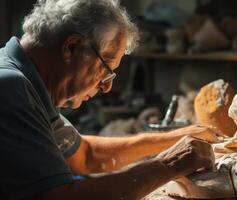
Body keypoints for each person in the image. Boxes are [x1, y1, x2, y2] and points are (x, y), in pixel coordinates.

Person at [0, 0, 221, 199]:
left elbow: (85, 156)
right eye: (105, 70)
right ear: (72, 47)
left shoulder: (31, 86)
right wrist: (167, 165)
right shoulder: (10, 86)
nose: (107, 87)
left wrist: (179, 136)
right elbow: (58, 196)